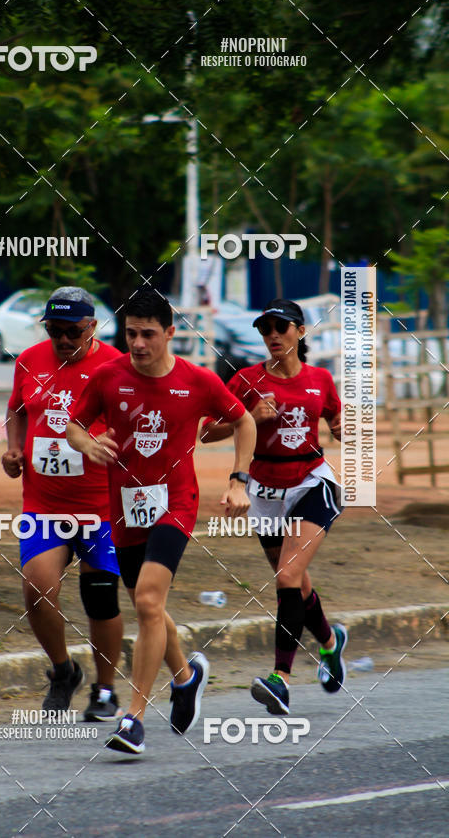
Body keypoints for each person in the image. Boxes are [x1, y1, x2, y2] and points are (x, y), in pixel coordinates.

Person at [66, 288, 256, 754]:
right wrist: (86, 444)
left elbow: (245, 421)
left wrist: (239, 481)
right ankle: (186, 676)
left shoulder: (198, 380)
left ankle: (132, 718)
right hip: (127, 508)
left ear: (170, 333)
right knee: (149, 607)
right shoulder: (109, 377)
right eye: (130, 333)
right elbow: (72, 424)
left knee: (148, 600)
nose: (137, 343)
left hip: (176, 502)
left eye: (148, 334)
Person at [201, 298, 347, 716]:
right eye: (266, 329)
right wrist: (249, 416)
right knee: (295, 584)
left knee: (287, 574)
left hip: (311, 482)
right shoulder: (245, 380)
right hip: (264, 491)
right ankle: (331, 642)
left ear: (300, 332)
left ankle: (280, 680)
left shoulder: (320, 379)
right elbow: (207, 433)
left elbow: (338, 421)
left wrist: (341, 428)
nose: (273, 336)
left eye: (281, 327)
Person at [2, 287, 124, 721]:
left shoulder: (115, 366)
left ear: (92, 326)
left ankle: (106, 689)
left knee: (101, 597)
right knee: (37, 589)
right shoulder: (30, 360)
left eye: (73, 331)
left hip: (101, 507)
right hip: (44, 504)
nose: (64, 340)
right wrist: (15, 449)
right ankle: (62, 671)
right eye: (55, 331)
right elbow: (17, 409)